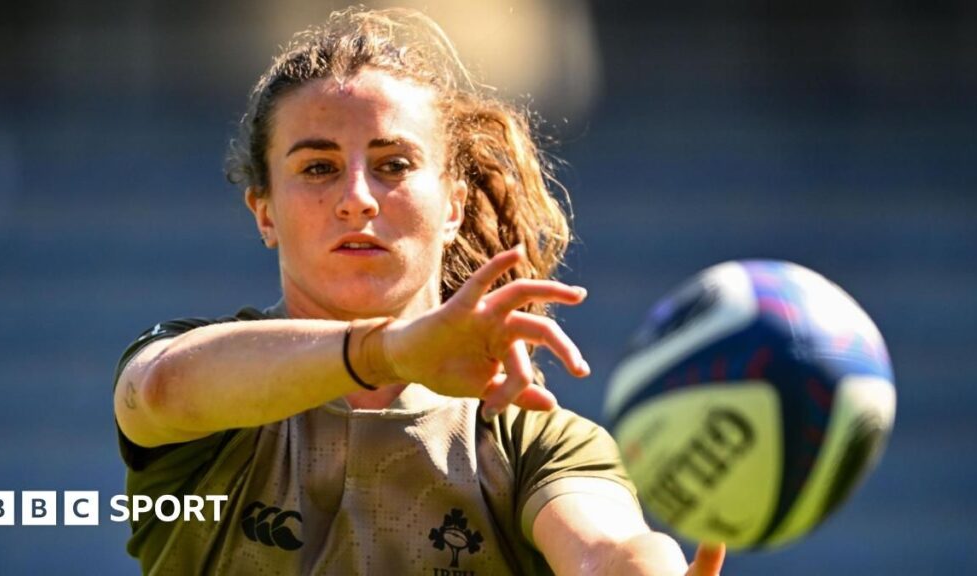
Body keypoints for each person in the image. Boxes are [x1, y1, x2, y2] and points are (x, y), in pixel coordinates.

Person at [113, 7, 725, 575]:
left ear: (453, 204)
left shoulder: (529, 438)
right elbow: (164, 390)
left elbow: (604, 550)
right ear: (264, 213)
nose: (357, 197)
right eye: (318, 168)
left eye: (394, 164)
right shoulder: (199, 366)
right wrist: (388, 351)